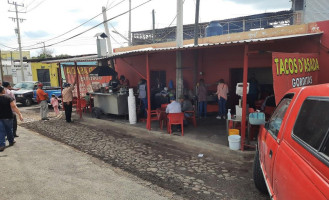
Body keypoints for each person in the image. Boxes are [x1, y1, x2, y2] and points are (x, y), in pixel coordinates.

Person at [0, 86, 23, 152]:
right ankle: (11, 141)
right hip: (8, 116)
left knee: (1, 131)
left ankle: (2, 145)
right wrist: (20, 114)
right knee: (9, 129)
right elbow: (14, 107)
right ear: (2, 91)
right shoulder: (8, 97)